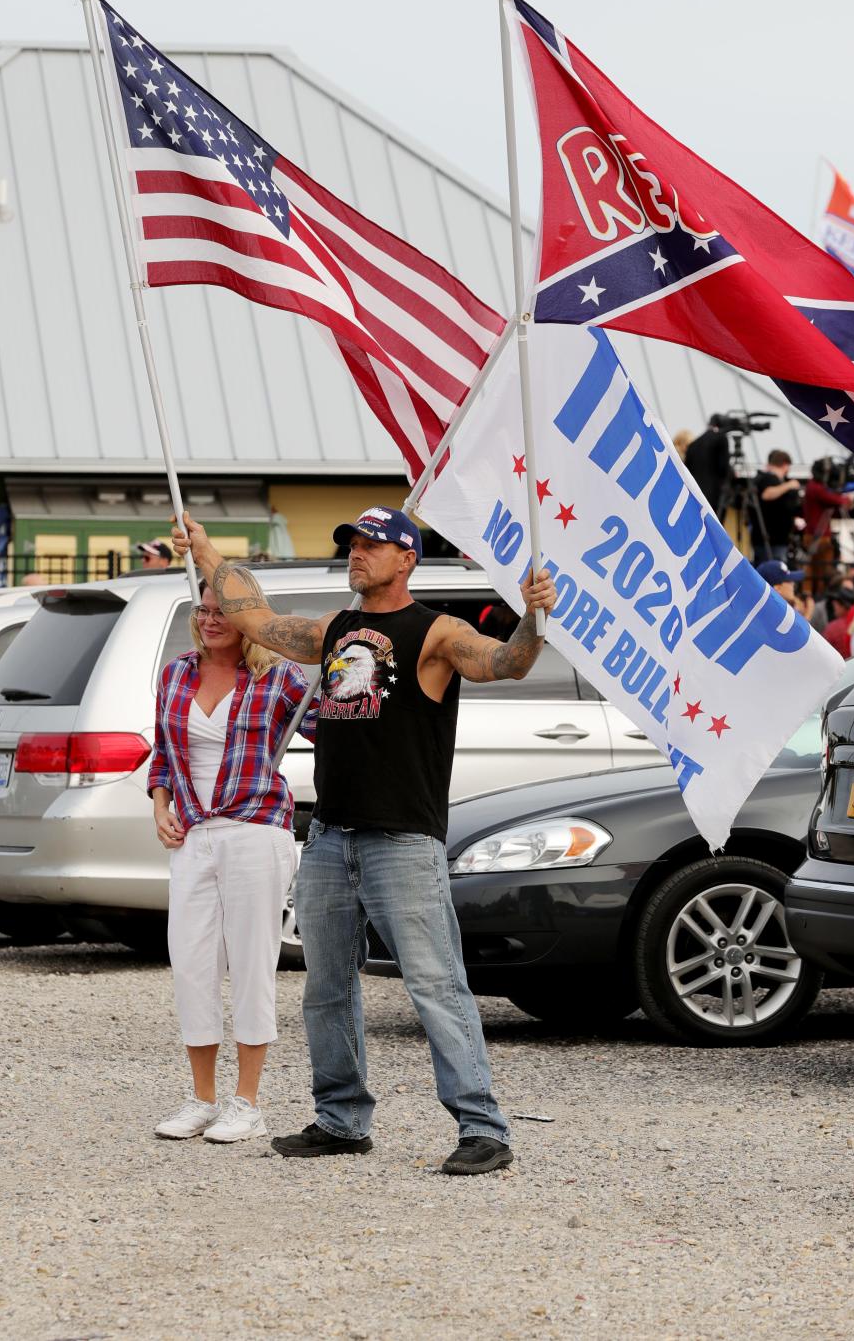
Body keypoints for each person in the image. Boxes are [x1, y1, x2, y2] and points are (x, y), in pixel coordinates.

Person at [172, 504, 557, 1176]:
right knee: (325, 985)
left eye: (373, 543)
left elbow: (507, 663)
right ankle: (341, 1118)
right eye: (352, 542)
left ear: (407, 557)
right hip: (329, 838)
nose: (358, 552)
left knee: (436, 983)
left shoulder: (435, 633)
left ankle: (482, 1127)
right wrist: (207, 552)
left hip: (402, 841)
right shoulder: (334, 629)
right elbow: (256, 618)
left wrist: (534, 618)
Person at [148, 580, 310, 1144]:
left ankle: (247, 1102)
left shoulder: (280, 675)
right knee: (191, 962)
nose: (210, 620)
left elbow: (333, 723)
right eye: (203, 610)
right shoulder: (176, 674)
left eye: (223, 611)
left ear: (249, 616)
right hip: (193, 834)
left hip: (255, 830)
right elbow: (164, 755)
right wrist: (161, 806)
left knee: (251, 962)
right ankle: (202, 1099)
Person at [803, 461, 854, 595]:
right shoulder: (817, 488)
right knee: (821, 570)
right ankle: (819, 594)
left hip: (814, 535)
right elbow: (837, 501)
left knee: (814, 570)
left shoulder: (811, 486)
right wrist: (847, 500)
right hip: (819, 537)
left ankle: (812, 593)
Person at [750, 449, 801, 566]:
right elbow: (767, 494)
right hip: (771, 541)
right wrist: (789, 485)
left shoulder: (764, 479)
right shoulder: (769, 479)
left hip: (771, 540)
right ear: (785, 465)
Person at [683, 416, 730, 516]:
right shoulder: (721, 439)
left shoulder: (693, 445)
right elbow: (723, 469)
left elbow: (686, 472)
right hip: (714, 497)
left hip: (695, 496)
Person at [821, 587, 854, 659]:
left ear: (844, 605)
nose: (833, 603)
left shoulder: (833, 628)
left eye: (836, 602)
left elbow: (821, 653)